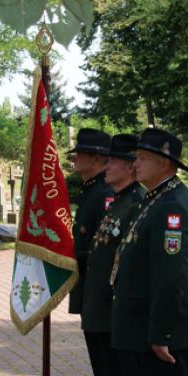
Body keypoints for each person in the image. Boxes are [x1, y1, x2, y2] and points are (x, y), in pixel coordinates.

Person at [111, 128, 188, 376]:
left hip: (164, 336)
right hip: (144, 329)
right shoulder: (154, 199)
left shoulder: (171, 207)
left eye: (141, 158)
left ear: (165, 164)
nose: (134, 164)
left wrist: (161, 333)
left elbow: (171, 275)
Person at [78, 134, 147, 376]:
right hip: (99, 301)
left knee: (116, 372)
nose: (107, 166)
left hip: (113, 304)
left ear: (131, 167)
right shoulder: (118, 201)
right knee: (105, 369)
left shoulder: (135, 202)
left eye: (112, 161)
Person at [66, 128, 113, 320]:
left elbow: (105, 246)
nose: (74, 158)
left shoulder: (104, 193)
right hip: (87, 285)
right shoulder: (90, 190)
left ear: (96, 159)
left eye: (79, 154)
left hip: (99, 290)